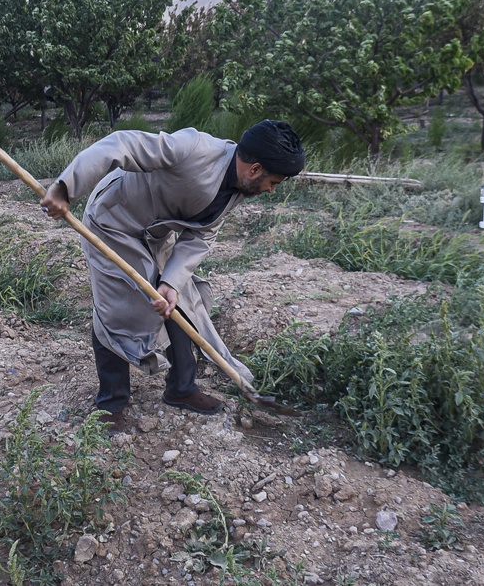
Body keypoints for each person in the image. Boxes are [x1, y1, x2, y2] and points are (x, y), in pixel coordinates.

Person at [40, 120, 305, 434]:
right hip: (111, 223)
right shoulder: (193, 149)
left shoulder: (235, 191)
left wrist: (170, 282)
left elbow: (200, 237)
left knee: (182, 303)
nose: (271, 190)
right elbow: (121, 144)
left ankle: (181, 388)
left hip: (154, 232)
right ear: (256, 169)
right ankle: (110, 403)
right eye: (273, 182)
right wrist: (65, 186)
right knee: (116, 310)